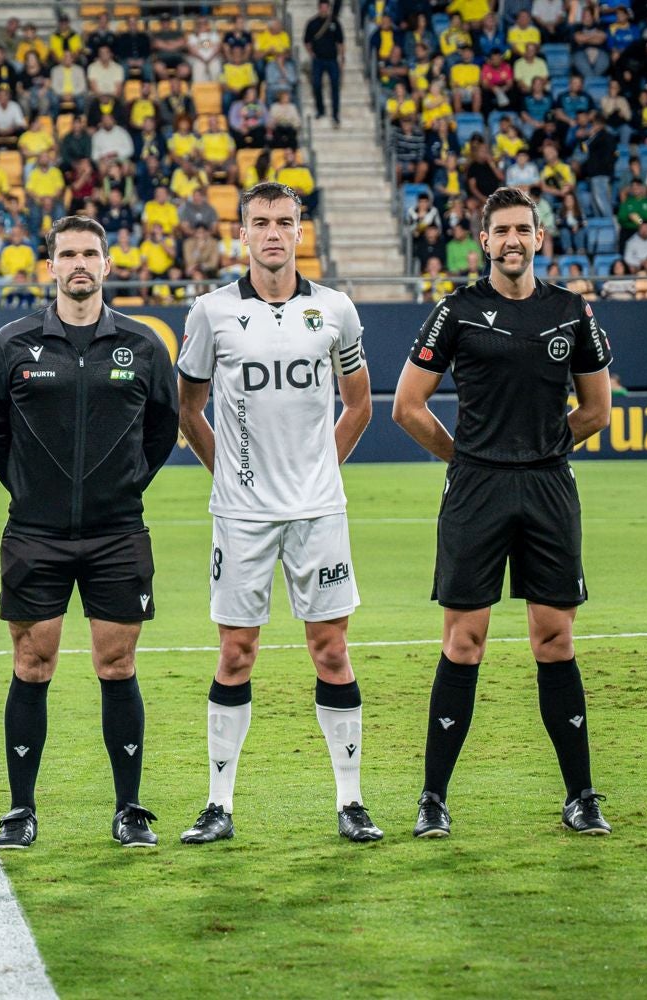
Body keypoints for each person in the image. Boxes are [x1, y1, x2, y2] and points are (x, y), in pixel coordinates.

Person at [392, 186, 614, 839]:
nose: (512, 240)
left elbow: (597, 410)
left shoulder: (571, 311)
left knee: (555, 639)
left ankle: (581, 798)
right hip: (477, 490)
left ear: (539, 238)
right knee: (464, 641)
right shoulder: (455, 311)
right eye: (501, 231)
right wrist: (465, 458)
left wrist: (542, 449)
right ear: (483, 241)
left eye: (523, 229)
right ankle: (433, 799)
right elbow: (407, 406)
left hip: (547, 489)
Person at [172, 182, 381, 846]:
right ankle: (218, 805)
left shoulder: (336, 310)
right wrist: (229, 474)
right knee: (236, 653)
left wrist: (323, 469)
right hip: (241, 517)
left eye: (283, 222)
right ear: (242, 233)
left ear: (299, 231)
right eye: (260, 222)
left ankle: (351, 802)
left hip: (318, 513)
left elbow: (359, 403)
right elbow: (188, 408)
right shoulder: (211, 311)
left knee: (332, 649)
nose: (272, 233)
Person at [0, 216, 179, 848]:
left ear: (108, 265)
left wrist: (125, 485)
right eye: (68, 254)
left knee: (117, 664)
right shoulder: (13, 343)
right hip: (34, 533)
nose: (80, 264)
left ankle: (129, 809)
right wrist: (28, 487)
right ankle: (21, 811)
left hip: (117, 533)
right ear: (51, 267)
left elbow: (162, 429)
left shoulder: (143, 346)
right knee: (31, 663)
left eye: (90, 253)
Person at [303, 0, 345, 128]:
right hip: (318, 60)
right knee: (316, 85)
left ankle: (335, 114)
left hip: (332, 59)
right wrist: (311, 54)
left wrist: (342, 58)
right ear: (319, 8)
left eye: (326, 7)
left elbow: (340, 41)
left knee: (335, 87)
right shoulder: (312, 23)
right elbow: (307, 41)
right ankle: (320, 110)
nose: (324, 10)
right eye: (322, 7)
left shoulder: (334, 22)